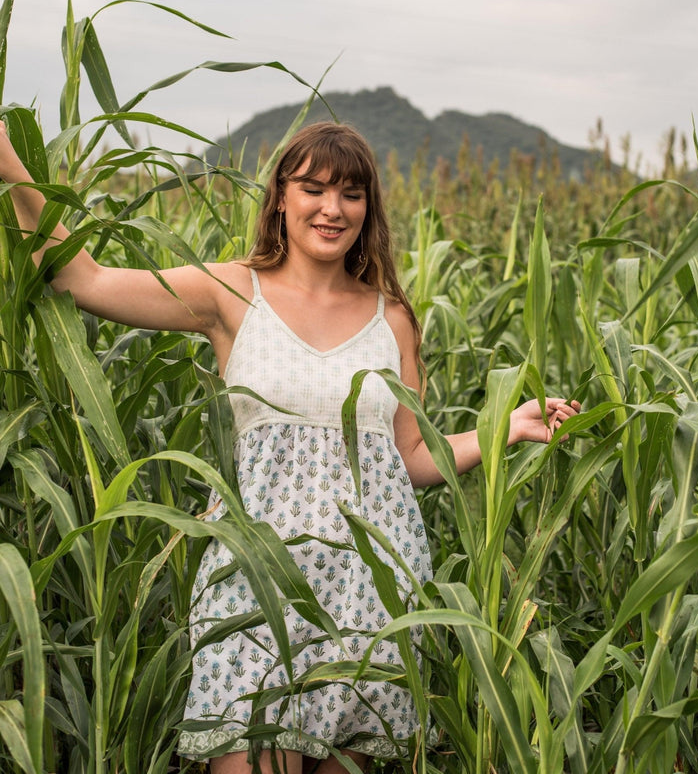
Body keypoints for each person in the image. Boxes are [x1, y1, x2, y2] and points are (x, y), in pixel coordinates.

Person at [0, 119, 580, 774]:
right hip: (256, 587)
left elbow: (412, 458)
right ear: (281, 196)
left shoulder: (392, 319)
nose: (333, 209)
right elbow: (84, 280)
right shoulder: (229, 292)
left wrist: (505, 426)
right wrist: (8, 161)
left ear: (369, 209)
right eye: (314, 188)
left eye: (352, 193)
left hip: (371, 594)